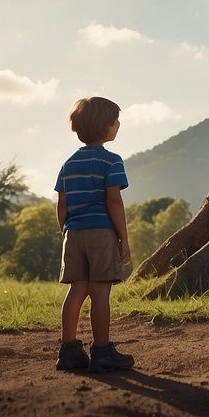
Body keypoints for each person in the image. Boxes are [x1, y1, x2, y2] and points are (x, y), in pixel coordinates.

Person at [54, 96, 134, 373]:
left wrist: (66, 230)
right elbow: (114, 201)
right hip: (101, 233)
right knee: (100, 292)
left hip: (73, 233)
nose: (118, 124)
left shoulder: (68, 164)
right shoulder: (112, 161)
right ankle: (101, 352)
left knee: (77, 290)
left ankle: (68, 350)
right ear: (106, 128)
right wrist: (123, 237)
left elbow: (61, 205)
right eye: (115, 121)